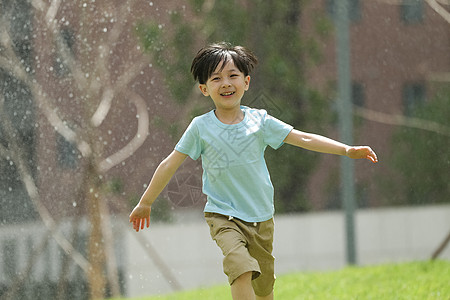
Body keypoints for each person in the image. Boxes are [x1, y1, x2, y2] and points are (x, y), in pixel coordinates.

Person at [129, 42, 378, 300]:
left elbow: (302, 138)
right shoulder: (200, 127)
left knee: (264, 287)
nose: (226, 83)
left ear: (246, 82)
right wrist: (146, 202)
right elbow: (170, 163)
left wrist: (347, 150)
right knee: (240, 266)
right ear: (204, 89)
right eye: (216, 78)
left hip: (261, 217)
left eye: (233, 76)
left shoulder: (260, 121)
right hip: (223, 214)